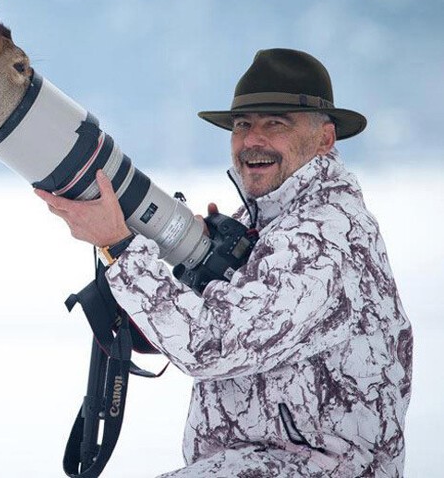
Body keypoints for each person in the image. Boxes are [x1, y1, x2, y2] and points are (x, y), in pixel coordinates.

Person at [35, 49, 413, 477]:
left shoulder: (325, 236)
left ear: (325, 139)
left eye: (276, 124)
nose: (253, 140)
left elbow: (210, 345)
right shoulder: (268, 224)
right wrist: (187, 267)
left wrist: (120, 247)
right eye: (242, 125)